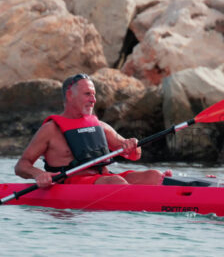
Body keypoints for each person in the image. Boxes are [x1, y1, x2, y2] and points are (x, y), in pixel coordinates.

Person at [15, 73, 169, 188]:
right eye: (88, 94)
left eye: (94, 95)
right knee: (116, 182)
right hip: (75, 184)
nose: (93, 100)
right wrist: (39, 174)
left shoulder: (99, 126)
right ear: (69, 95)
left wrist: (132, 145)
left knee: (154, 176)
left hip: (106, 178)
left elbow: (135, 155)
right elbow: (22, 165)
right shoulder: (50, 130)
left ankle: (174, 195)